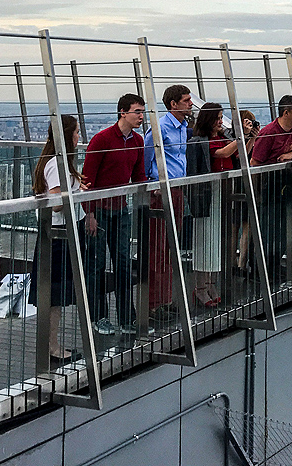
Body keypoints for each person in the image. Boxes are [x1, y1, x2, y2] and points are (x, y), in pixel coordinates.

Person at [81, 94, 147, 336]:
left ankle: (126, 319)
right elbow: (87, 179)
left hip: (120, 210)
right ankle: (98, 317)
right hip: (99, 211)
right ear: (122, 112)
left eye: (142, 111)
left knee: (122, 264)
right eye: (137, 111)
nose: (141, 116)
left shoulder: (137, 141)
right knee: (97, 265)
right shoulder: (102, 140)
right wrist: (89, 214)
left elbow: (139, 177)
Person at [187, 103, 258, 306]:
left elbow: (239, 154)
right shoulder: (202, 140)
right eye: (218, 118)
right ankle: (200, 286)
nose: (220, 121)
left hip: (221, 192)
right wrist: (241, 136)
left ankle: (209, 283)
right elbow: (223, 153)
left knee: (215, 238)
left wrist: (250, 136)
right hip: (208, 193)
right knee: (205, 238)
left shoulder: (220, 138)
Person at [29, 116, 86, 362]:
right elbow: (55, 204)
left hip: (58, 234)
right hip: (58, 235)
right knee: (53, 295)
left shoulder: (54, 161)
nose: (79, 137)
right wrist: (73, 193)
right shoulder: (58, 164)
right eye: (75, 133)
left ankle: (52, 344)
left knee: (54, 294)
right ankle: (51, 346)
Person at [143, 84, 191, 324]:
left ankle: (166, 300)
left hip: (177, 189)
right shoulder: (160, 128)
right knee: (158, 249)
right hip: (161, 191)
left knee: (171, 247)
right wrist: (153, 183)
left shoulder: (183, 127)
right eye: (186, 100)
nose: (190, 104)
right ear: (173, 104)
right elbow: (146, 157)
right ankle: (154, 304)